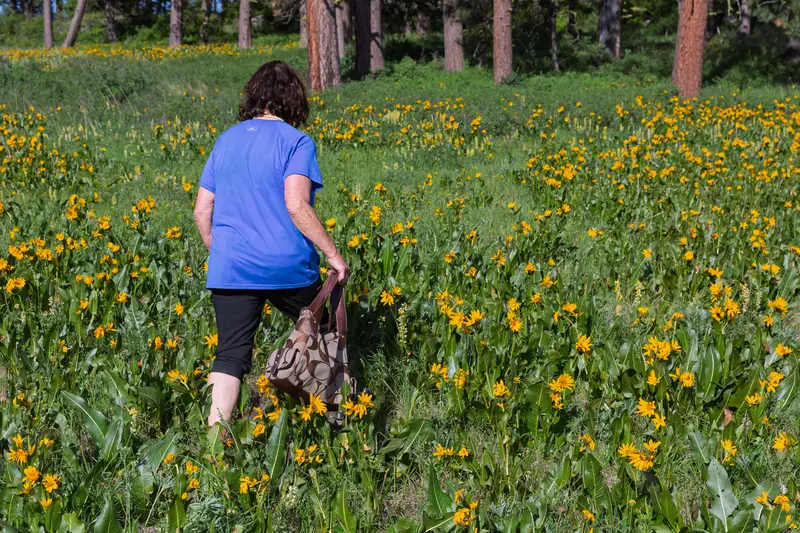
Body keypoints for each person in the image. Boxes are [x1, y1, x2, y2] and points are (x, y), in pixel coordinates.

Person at [193, 60, 349, 427]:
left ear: (254, 96)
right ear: (295, 100)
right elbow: (296, 205)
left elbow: (202, 211)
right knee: (324, 333)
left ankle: (214, 448)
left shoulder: (227, 138)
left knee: (230, 354)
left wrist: (221, 251)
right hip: (287, 266)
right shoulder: (297, 142)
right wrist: (334, 255)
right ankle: (334, 423)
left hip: (231, 266)